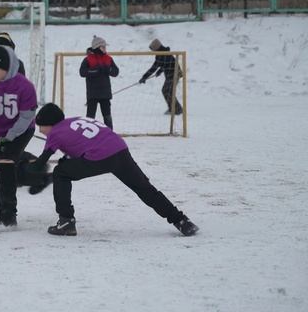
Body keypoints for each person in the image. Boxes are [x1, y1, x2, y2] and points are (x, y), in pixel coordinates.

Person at [27, 103, 199, 237]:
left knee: (60, 173)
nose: (40, 130)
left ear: (50, 123)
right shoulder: (74, 121)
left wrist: (20, 166)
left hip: (99, 156)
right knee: (144, 188)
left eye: (41, 126)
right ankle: (182, 221)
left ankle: (66, 222)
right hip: (119, 150)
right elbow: (78, 147)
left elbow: (40, 163)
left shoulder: (55, 133)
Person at [0, 45, 38, 231]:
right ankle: (31, 165)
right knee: (3, 159)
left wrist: (10, 137)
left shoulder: (25, 86)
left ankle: (8, 218)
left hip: (22, 129)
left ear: (6, 67)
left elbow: (26, 117)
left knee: (6, 168)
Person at [79, 35, 119, 129]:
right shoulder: (88, 59)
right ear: (97, 47)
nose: (105, 49)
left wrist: (108, 70)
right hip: (93, 94)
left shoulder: (108, 58)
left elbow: (116, 72)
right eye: (103, 47)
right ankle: (87, 134)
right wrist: (95, 71)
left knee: (107, 116)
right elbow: (82, 72)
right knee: (90, 117)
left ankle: (109, 135)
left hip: (105, 94)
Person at [139, 38, 183, 115]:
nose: (152, 51)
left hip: (173, 75)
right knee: (167, 91)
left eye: (153, 49)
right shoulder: (164, 53)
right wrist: (160, 71)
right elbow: (165, 64)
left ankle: (176, 109)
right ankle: (175, 108)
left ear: (156, 48)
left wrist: (144, 77)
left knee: (167, 91)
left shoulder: (161, 55)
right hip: (172, 74)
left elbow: (154, 67)